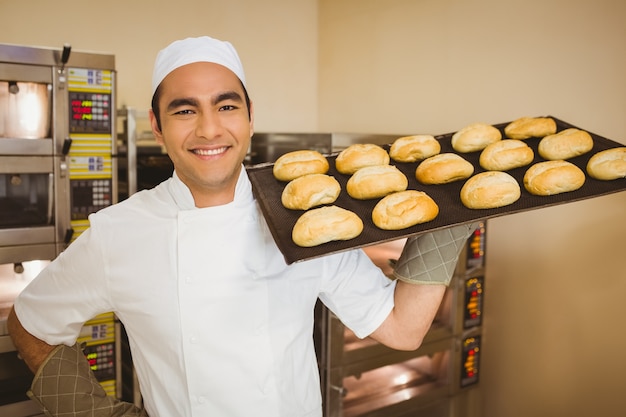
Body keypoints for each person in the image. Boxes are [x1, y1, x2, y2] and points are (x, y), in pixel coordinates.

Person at [7, 36, 477, 417]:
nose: (210, 129)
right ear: (157, 126)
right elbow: (29, 323)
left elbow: (401, 329)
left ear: (251, 117)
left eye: (226, 107)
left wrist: (453, 215)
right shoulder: (120, 233)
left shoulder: (304, 217)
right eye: (185, 110)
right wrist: (93, 411)